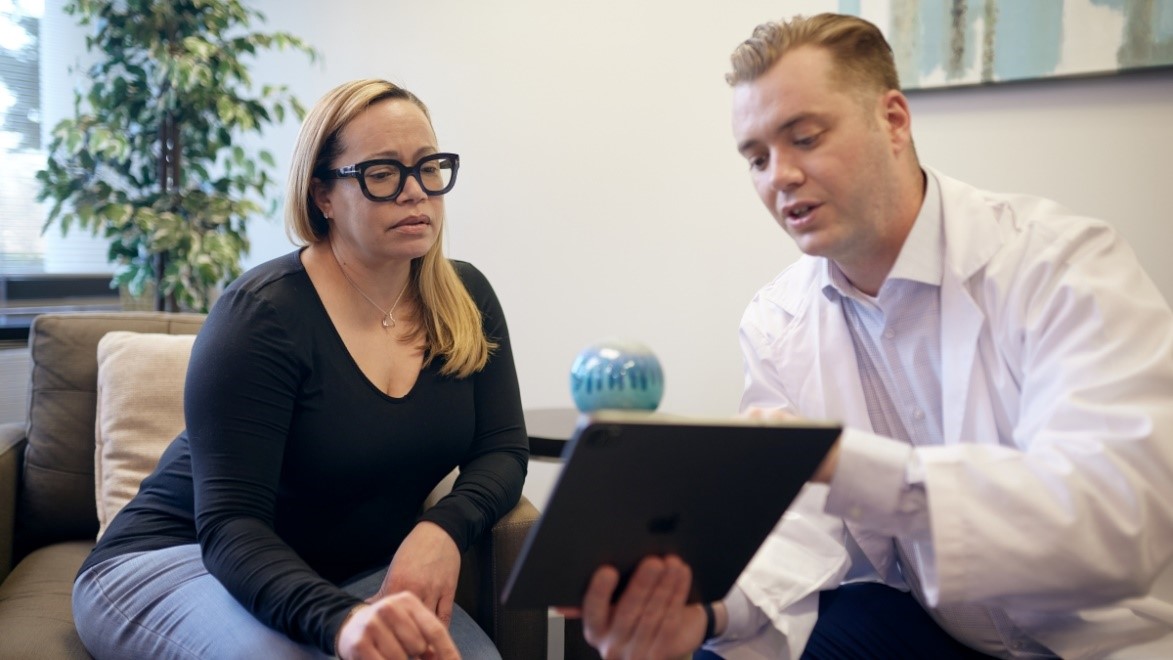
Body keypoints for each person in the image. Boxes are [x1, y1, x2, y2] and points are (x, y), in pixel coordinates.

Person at [570, 13, 1173, 660]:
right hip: (934, 629)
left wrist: (839, 461)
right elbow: (801, 534)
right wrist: (709, 612)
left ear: (892, 120)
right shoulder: (776, 320)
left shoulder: (1062, 266)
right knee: (718, 646)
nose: (779, 176)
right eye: (756, 158)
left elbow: (1114, 524)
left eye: (803, 137)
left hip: (1108, 640)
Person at [71, 79, 530, 659]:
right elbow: (231, 526)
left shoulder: (465, 297)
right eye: (382, 173)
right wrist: (340, 623)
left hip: (347, 572)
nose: (416, 193)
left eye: (428, 167)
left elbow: (504, 448)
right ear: (323, 195)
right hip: (178, 559)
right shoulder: (262, 316)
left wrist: (442, 528)